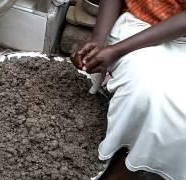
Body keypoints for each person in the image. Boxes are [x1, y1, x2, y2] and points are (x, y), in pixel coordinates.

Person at [70, 0, 186, 180]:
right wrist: (98, 40)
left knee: (179, 114)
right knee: (144, 92)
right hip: (138, 24)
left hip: (180, 37)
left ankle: (128, 166)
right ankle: (117, 155)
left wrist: (117, 50)